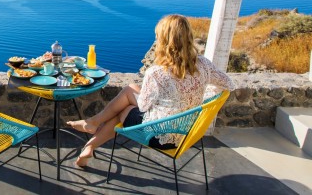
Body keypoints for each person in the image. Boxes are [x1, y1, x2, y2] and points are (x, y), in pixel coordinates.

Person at [67, 14, 235, 168]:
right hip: (189, 131)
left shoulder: (158, 72)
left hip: (159, 136)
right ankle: (90, 138)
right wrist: (203, 101)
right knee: (129, 92)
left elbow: (143, 105)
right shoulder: (203, 64)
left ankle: (91, 133)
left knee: (124, 109)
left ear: (164, 41)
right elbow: (228, 83)